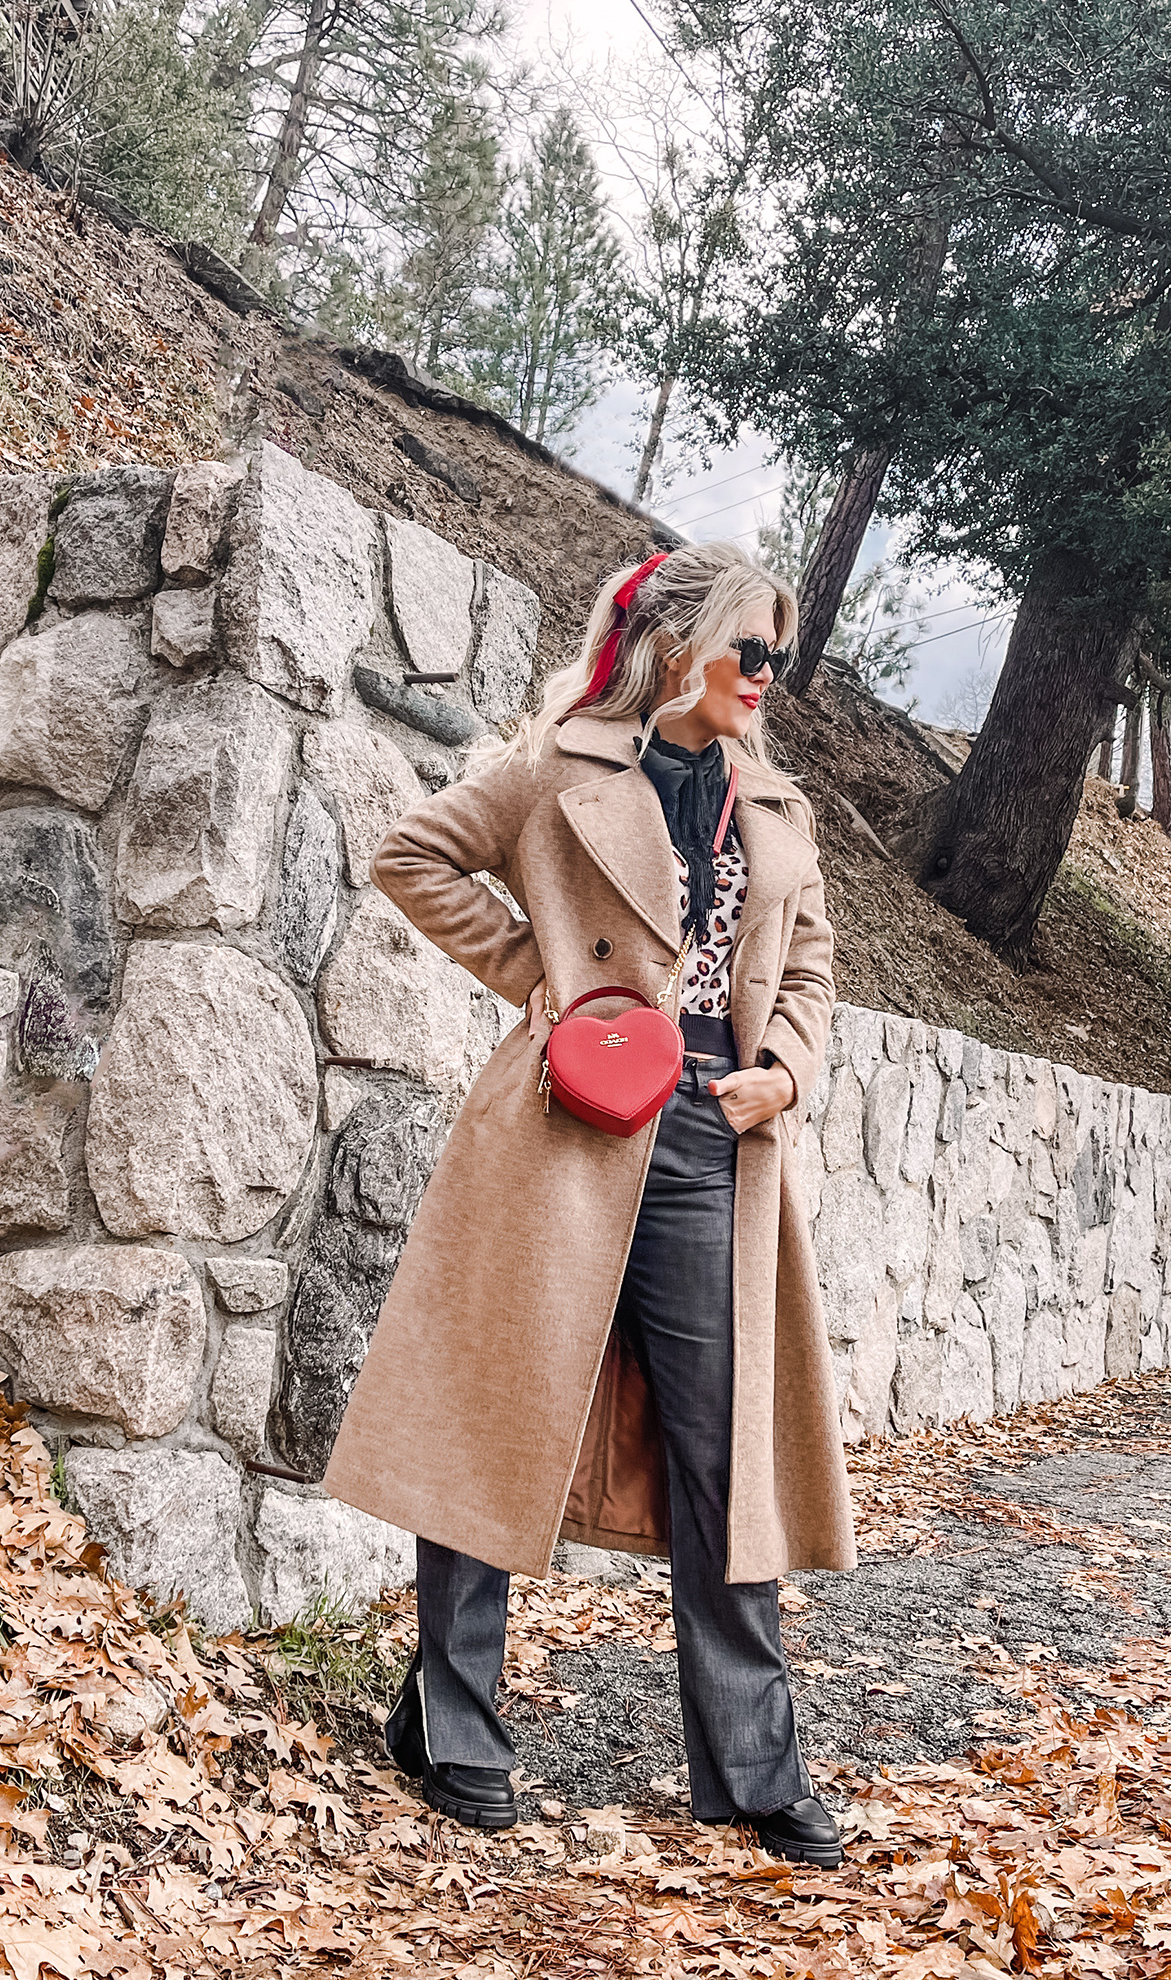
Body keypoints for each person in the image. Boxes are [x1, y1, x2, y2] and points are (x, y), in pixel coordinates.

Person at [322, 541, 856, 1867]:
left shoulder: (775, 810)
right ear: (682, 653)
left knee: (719, 1453)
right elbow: (412, 855)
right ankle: (455, 1724)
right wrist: (556, 989)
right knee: (502, 1412)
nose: (770, 681)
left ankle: (750, 1764)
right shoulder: (561, 762)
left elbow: (813, 971)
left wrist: (781, 1072)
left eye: (780, 660)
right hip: (569, 1120)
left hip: (713, 1141)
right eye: (754, 654)